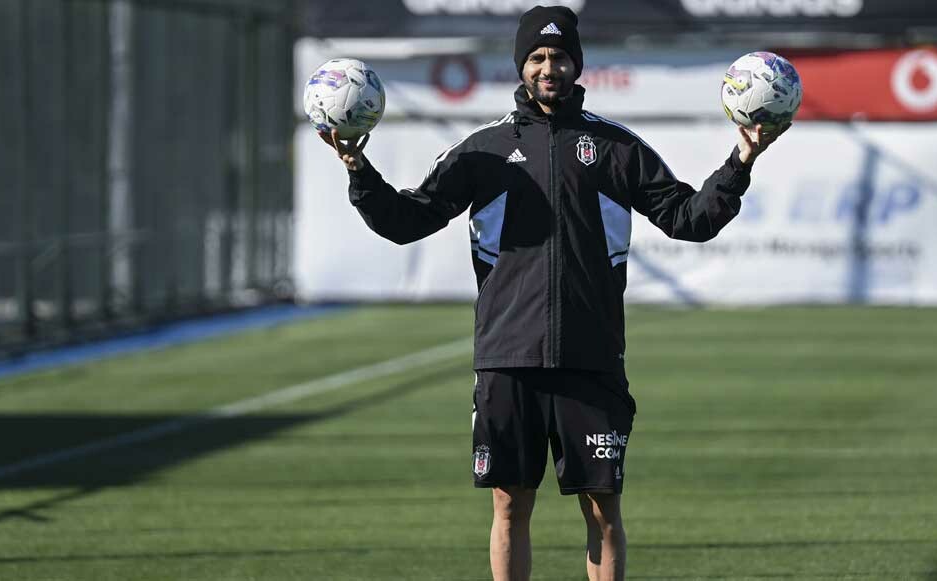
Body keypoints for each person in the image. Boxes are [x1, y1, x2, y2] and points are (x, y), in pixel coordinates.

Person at [320, 6, 788, 580]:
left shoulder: (617, 148)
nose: (550, 68)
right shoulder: (482, 151)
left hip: (590, 358)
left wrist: (742, 160)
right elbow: (406, 220)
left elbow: (689, 218)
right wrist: (358, 169)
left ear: (577, 64)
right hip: (507, 358)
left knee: (603, 508)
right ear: (522, 66)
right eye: (538, 57)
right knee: (510, 505)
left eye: (560, 56)